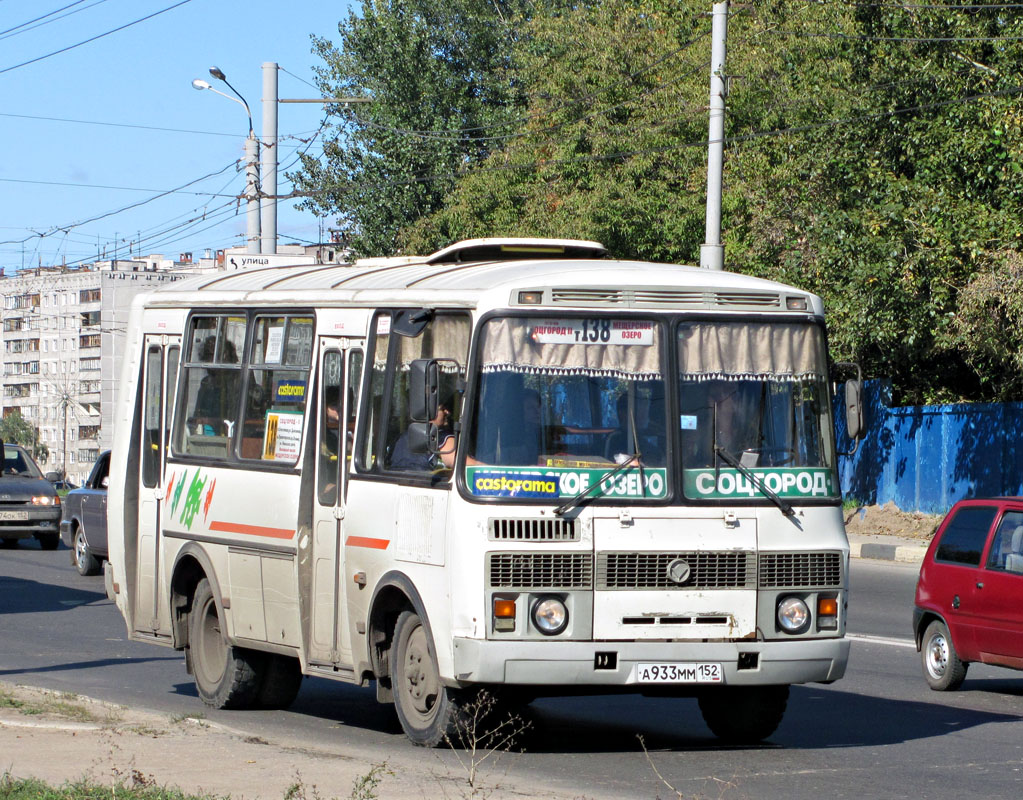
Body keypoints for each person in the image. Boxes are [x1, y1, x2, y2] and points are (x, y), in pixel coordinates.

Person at [389, 397, 456, 471]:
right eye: (443, 409)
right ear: (430, 412)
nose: (447, 412)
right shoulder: (440, 437)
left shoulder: (402, 437)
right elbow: (466, 466)